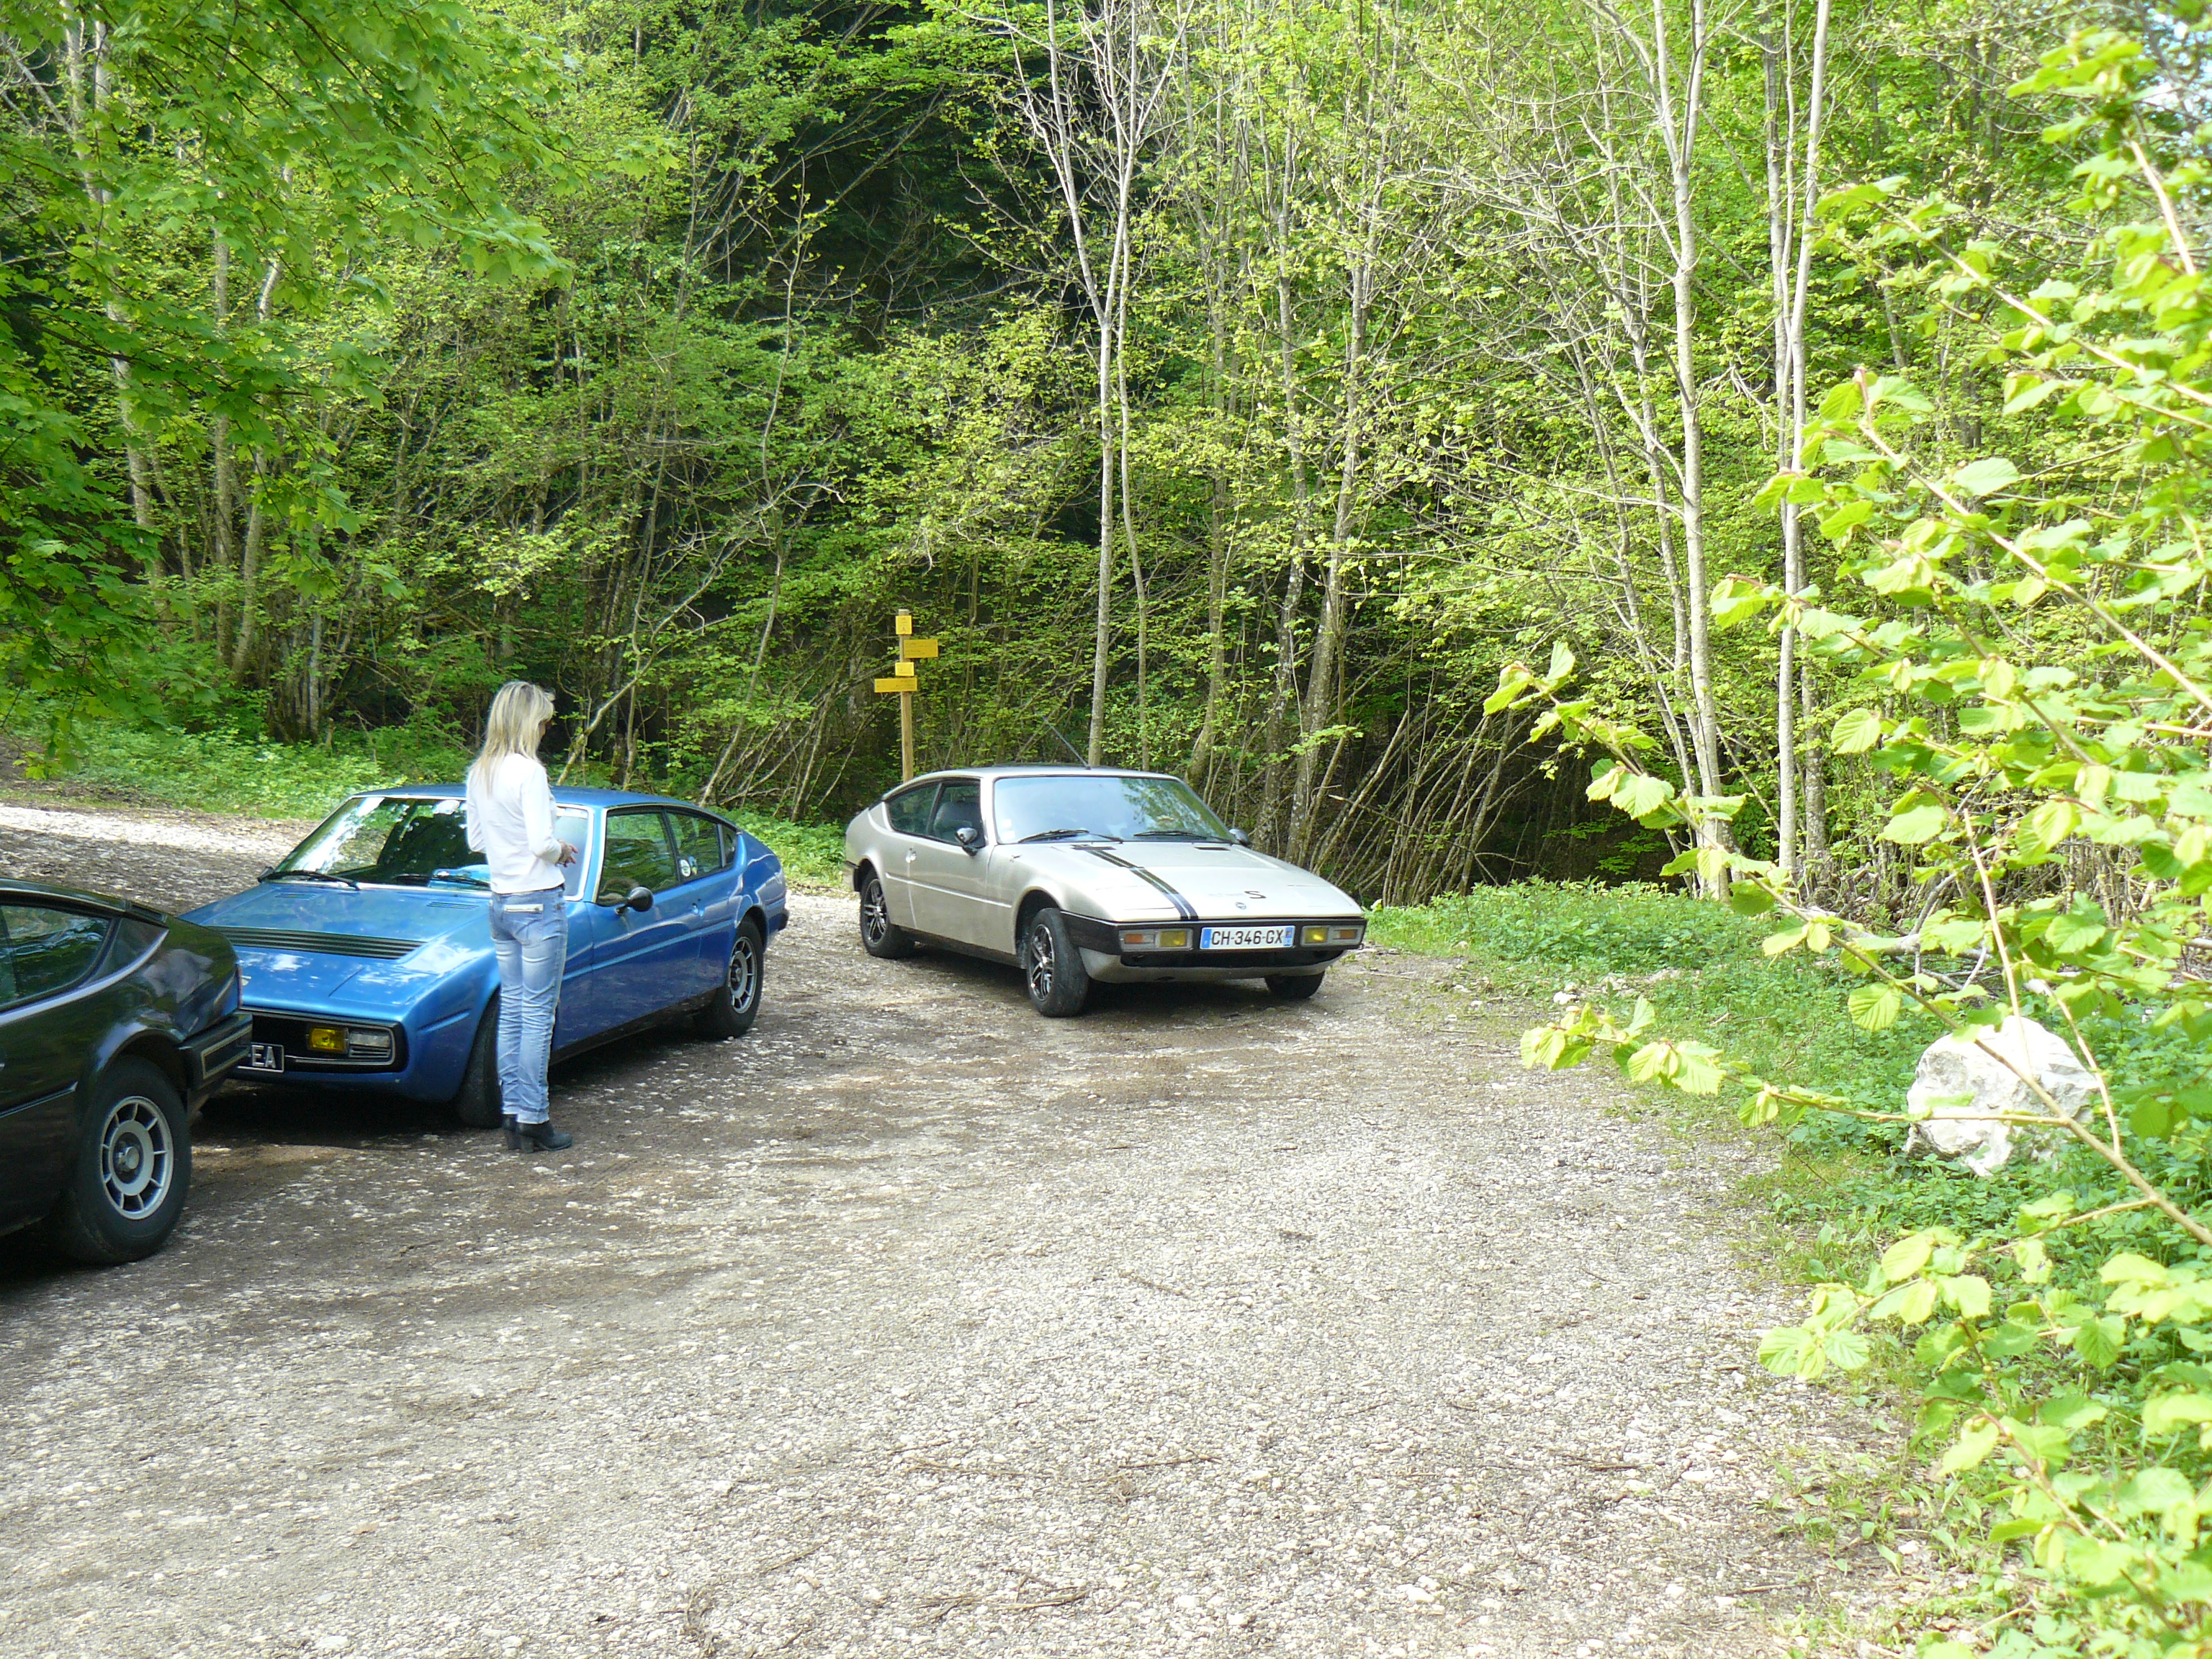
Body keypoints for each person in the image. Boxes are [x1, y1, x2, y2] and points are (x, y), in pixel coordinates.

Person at [465, 680, 580, 1153]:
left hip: (501, 903)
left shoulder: (481, 771)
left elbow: (476, 840)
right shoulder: (530, 772)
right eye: (544, 721)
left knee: (512, 1010)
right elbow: (541, 844)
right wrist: (562, 850)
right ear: (528, 722)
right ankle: (534, 1116)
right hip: (538, 903)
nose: (546, 729)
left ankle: (512, 1116)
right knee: (537, 1015)